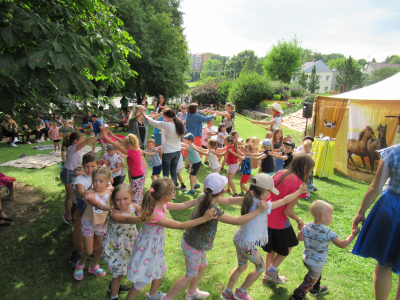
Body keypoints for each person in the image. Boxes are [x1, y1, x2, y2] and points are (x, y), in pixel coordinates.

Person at [161, 173, 269, 300]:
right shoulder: (213, 210)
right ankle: (167, 298)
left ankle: (192, 292)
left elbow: (228, 200)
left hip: (197, 244)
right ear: (223, 190)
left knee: (203, 265)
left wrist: (244, 198)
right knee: (190, 275)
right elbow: (237, 221)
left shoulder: (205, 196)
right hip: (193, 245)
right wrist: (259, 211)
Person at [125, 178, 217, 300]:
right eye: (173, 192)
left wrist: (201, 199)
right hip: (147, 249)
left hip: (154, 247)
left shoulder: (161, 204)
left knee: (161, 270)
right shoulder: (155, 216)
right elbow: (180, 225)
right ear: (166, 196)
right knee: (142, 280)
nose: (174, 194)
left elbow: (184, 205)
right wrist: (204, 218)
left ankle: (152, 296)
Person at [221, 174, 307, 300]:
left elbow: (229, 200)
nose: (270, 195)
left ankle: (227, 293)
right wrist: (299, 191)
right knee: (261, 267)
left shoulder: (248, 197)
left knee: (241, 266)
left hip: (238, 238)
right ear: (265, 191)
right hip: (247, 244)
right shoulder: (263, 206)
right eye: (270, 192)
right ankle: (241, 292)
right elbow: (284, 201)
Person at [352, 113, 400, 300]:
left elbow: (375, 188)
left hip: (391, 210)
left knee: (384, 263)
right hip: (391, 209)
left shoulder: (393, 152)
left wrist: (361, 211)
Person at [288, 200, 360, 300]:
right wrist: (353, 234)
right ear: (322, 216)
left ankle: (315, 289)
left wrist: (301, 229)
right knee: (308, 283)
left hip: (307, 260)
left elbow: (300, 238)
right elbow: (342, 244)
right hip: (317, 264)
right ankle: (296, 296)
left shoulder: (306, 226)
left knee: (316, 274)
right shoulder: (327, 232)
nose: (332, 218)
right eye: (331, 215)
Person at [261, 154, 314, 287]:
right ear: (306, 168)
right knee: (290, 244)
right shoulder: (299, 184)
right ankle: (270, 273)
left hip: (266, 217)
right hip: (279, 221)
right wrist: (299, 220)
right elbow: (288, 211)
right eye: (310, 170)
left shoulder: (280, 173)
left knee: (272, 248)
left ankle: (268, 275)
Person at [103, 184, 149, 299]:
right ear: (113, 200)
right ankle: (114, 296)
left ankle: (113, 287)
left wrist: (151, 212)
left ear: (132, 197)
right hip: (115, 246)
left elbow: (144, 210)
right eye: (118, 200)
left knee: (125, 269)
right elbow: (126, 219)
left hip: (130, 243)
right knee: (118, 274)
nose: (122, 202)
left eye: (125, 199)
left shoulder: (133, 206)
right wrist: (143, 218)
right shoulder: (114, 213)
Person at [73, 167, 114, 281]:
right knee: (89, 251)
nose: (97, 183)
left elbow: (118, 195)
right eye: (95, 180)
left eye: (101, 181)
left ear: (107, 182)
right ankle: (80, 265)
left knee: (101, 249)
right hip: (88, 223)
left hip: (101, 223)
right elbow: (96, 204)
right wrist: (108, 208)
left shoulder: (110, 189)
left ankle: (93, 266)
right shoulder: (88, 194)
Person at [140, 107, 184, 186]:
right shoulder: (179, 124)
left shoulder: (167, 125)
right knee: (173, 171)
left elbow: (151, 121)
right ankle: (172, 192)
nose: (163, 118)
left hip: (168, 153)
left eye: (164, 116)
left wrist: (143, 114)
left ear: (167, 116)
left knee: (166, 173)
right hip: (177, 152)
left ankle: (167, 190)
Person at [60, 132, 98, 225]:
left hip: (74, 172)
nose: (82, 142)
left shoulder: (76, 149)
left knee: (74, 196)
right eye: (81, 140)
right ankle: (68, 217)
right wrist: (98, 136)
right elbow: (87, 141)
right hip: (69, 173)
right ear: (76, 141)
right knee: (70, 196)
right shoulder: (73, 148)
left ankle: (73, 213)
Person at [70, 152, 99, 268]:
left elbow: (109, 185)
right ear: (83, 166)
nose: (89, 169)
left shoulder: (101, 177)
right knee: (78, 236)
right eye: (87, 166)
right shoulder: (80, 179)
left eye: (93, 166)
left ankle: (92, 251)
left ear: (98, 166)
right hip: (81, 213)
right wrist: (83, 194)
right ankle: (79, 253)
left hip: (96, 213)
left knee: (96, 234)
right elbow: (80, 190)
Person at [102, 132, 145, 205]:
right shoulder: (136, 148)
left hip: (137, 178)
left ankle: (136, 212)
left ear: (129, 145)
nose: (124, 146)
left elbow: (118, 146)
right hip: (140, 176)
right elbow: (122, 142)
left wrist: (107, 138)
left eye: (125, 145)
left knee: (134, 197)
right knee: (138, 195)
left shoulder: (131, 152)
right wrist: (113, 135)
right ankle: (140, 209)